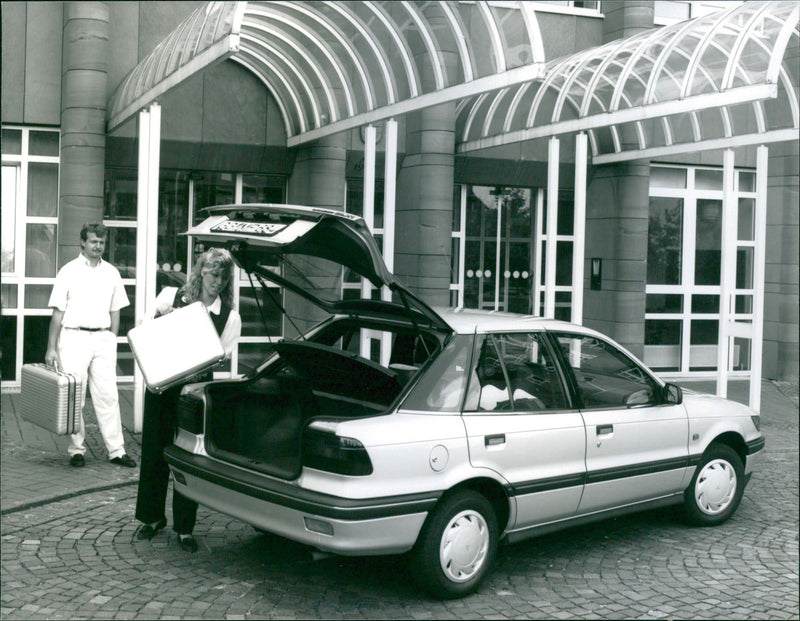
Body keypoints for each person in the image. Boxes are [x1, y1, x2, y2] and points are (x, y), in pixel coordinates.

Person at [135, 247, 241, 553]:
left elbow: (220, 356)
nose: (218, 282)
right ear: (201, 272)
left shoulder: (229, 316)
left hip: (191, 397)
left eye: (224, 277)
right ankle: (152, 518)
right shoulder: (172, 295)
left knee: (187, 459)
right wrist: (160, 318)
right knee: (154, 452)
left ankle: (184, 527)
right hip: (162, 388)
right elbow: (146, 332)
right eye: (213, 275)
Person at [45, 222, 136, 469]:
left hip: (102, 339)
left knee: (108, 396)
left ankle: (117, 451)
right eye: (94, 241)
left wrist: (111, 338)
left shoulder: (112, 273)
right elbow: (57, 313)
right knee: (75, 397)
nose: (99, 246)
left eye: (102, 242)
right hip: (74, 338)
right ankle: (77, 450)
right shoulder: (68, 271)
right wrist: (51, 348)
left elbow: (116, 309)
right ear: (83, 242)